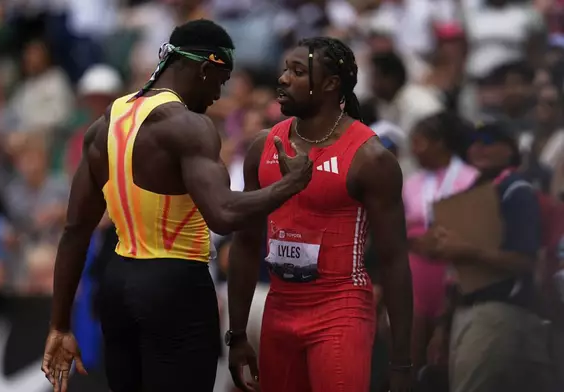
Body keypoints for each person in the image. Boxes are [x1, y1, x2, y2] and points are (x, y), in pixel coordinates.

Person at [40, 19, 313, 392]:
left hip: (117, 285)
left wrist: (59, 325)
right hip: (174, 285)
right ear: (204, 69)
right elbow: (224, 214)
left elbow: (74, 231)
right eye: (221, 80)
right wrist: (291, 183)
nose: (219, 95)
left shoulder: (105, 124)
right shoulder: (188, 125)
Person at [227, 37, 413, 392]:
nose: (283, 79)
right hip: (278, 308)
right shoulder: (262, 147)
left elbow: (394, 260)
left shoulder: (370, 159)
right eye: (285, 69)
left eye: (298, 72)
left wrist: (401, 363)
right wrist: (236, 335)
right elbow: (246, 243)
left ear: (331, 84)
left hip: (340, 310)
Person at [419, 120, 552, 392]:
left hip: (499, 311)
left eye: (488, 142)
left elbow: (524, 260)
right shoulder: (473, 193)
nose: (478, 148)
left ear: (510, 149)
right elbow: (456, 271)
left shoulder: (516, 190)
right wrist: (443, 326)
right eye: (474, 143)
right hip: (465, 312)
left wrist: (468, 250)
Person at [403, 112, 479, 371]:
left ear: (441, 144)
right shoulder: (411, 183)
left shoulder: (471, 178)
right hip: (416, 276)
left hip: (452, 274)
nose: (413, 150)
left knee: (447, 359)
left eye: (419, 142)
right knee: (410, 357)